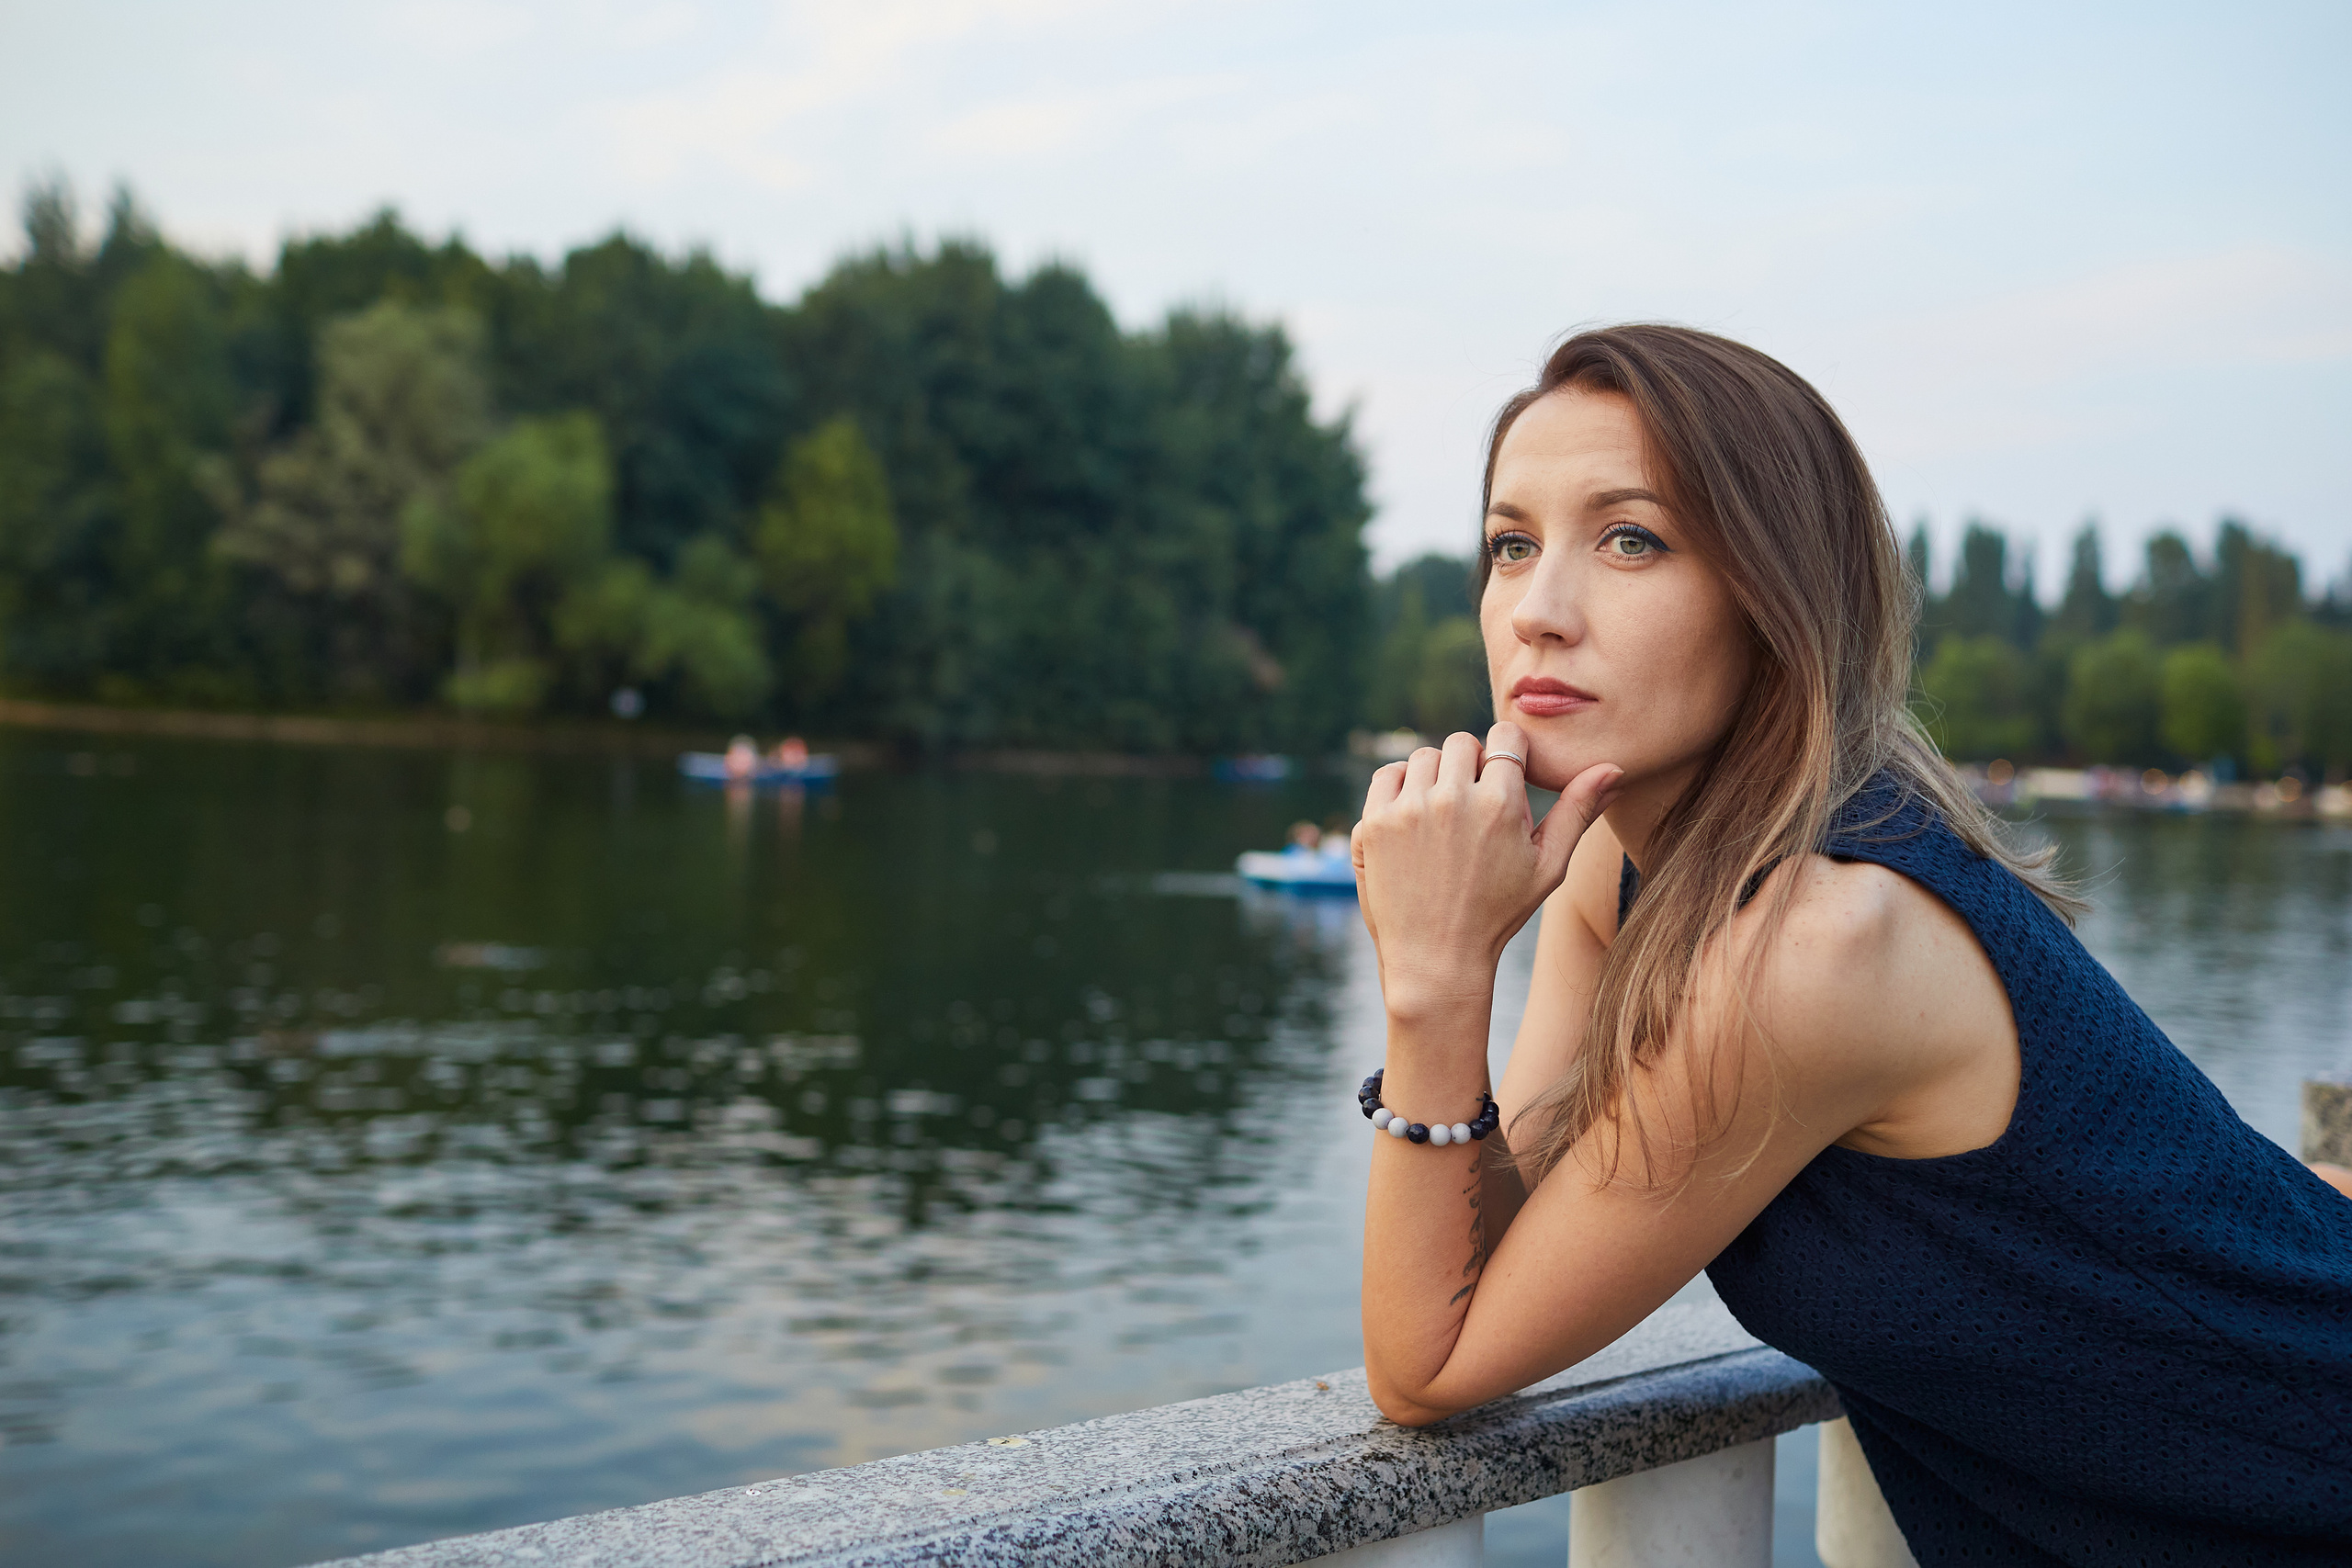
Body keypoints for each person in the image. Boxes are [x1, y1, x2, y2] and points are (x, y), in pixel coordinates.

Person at [1348, 325, 2352, 1564]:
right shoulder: (1619, 862)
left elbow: (1430, 1364)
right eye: (1511, 544)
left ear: (1772, 597)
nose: (1539, 613)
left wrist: (1438, 983)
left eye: (1631, 540)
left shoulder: (1816, 947)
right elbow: (1495, 1239)